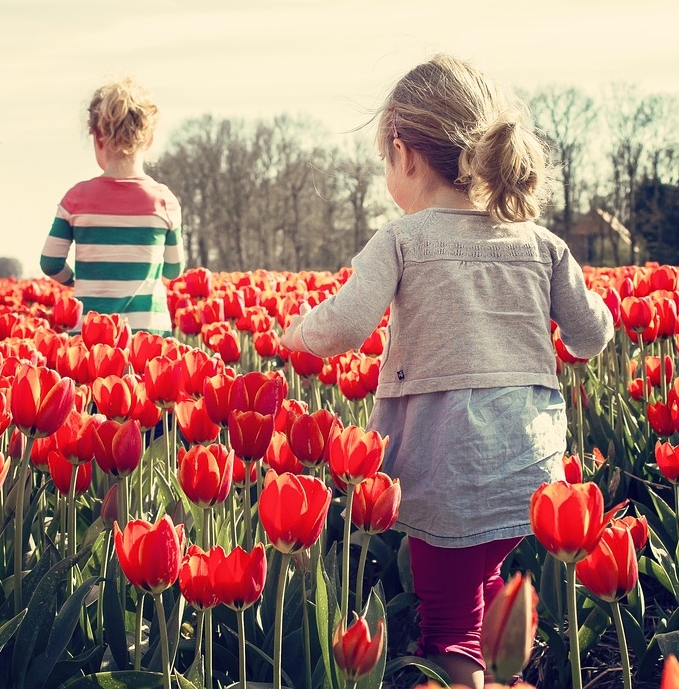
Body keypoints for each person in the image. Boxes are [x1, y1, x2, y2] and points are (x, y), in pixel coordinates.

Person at [280, 55, 613, 688]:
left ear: (404, 152)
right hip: (530, 466)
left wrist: (295, 330)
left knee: (450, 623)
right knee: (485, 583)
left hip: (447, 462)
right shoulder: (541, 244)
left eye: (385, 160)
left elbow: (344, 327)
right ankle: (500, 673)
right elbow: (592, 335)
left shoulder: (403, 240)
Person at [40, 77, 184, 335]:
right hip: (148, 332)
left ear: (97, 138)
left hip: (90, 332)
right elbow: (174, 269)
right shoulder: (164, 201)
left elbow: (50, 262)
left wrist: (75, 280)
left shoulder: (76, 198)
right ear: (149, 139)